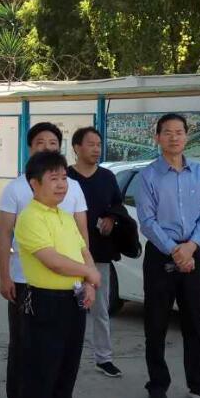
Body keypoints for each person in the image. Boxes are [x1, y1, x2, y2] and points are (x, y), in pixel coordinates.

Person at [137, 113, 200, 398]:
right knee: (156, 325)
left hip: (193, 252)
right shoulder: (148, 176)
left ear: (187, 136)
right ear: (158, 138)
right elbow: (147, 221)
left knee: (194, 324)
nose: (174, 137)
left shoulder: (199, 172)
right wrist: (175, 251)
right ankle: (157, 386)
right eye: (167, 132)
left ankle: (199, 384)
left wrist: (191, 246)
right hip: (161, 255)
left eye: (179, 132)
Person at [0, 122, 90, 398]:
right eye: (40, 142)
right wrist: (5, 276)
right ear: (30, 147)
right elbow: (5, 236)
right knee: (26, 351)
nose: (47, 147)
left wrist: (88, 279)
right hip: (30, 284)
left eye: (53, 143)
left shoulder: (70, 193)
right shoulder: (18, 191)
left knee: (64, 359)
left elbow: (82, 239)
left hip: (71, 289)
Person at [15, 150, 102, 398]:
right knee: (42, 375)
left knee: (67, 371)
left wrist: (89, 284)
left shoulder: (65, 216)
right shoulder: (30, 217)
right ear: (34, 183)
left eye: (64, 178)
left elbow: (83, 251)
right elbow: (54, 262)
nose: (62, 184)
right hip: (46, 303)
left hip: (74, 300)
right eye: (53, 178)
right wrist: (90, 273)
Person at [67, 127, 126, 378]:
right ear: (76, 148)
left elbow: (117, 204)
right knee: (69, 310)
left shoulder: (107, 177)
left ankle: (104, 358)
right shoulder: (65, 177)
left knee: (100, 309)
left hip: (99, 254)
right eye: (90, 144)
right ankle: (65, 357)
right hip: (67, 255)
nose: (96, 149)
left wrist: (112, 218)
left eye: (99, 144)